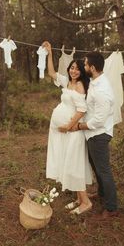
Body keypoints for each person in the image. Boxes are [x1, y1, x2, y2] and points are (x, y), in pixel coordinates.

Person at [43, 41, 93, 215]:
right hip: (63, 131)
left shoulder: (79, 85)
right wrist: (50, 53)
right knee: (68, 161)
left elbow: (82, 110)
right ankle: (79, 199)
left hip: (71, 131)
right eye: (72, 68)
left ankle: (86, 202)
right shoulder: (67, 82)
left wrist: (68, 126)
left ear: (82, 72)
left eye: (77, 69)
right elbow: (51, 73)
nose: (74, 71)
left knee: (74, 164)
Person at [72, 51, 118, 219]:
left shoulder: (102, 90)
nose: (84, 67)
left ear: (92, 67)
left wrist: (80, 126)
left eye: (85, 65)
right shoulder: (96, 81)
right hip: (92, 134)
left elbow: (99, 119)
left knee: (104, 170)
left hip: (98, 134)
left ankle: (112, 207)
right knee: (98, 168)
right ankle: (102, 194)